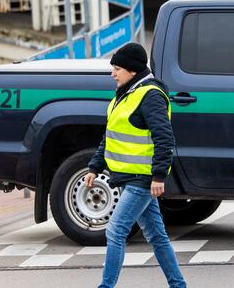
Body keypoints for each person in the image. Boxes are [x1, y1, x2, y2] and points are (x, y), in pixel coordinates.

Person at [86, 43, 186, 288]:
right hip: (130, 177)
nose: (113, 73)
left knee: (115, 230)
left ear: (132, 70)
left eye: (117, 68)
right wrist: (94, 167)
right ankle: (178, 285)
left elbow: (165, 137)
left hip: (141, 180)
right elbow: (111, 135)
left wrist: (159, 176)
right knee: (157, 236)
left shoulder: (150, 95)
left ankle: (106, 286)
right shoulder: (125, 94)